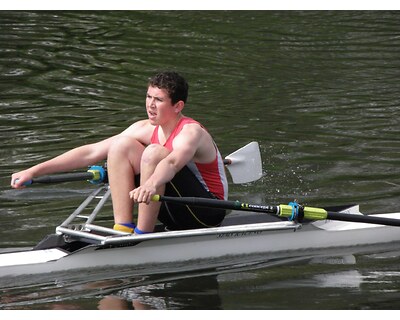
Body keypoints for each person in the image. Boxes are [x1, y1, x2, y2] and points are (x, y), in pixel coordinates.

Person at [11, 71, 228, 234]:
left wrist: (150, 184)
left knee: (153, 153)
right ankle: (123, 229)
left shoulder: (191, 132)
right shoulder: (143, 128)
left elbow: (171, 164)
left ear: (178, 106)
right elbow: (91, 152)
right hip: (171, 206)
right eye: (148, 97)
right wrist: (34, 170)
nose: (150, 105)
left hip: (206, 211)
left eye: (158, 100)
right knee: (120, 146)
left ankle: (142, 235)